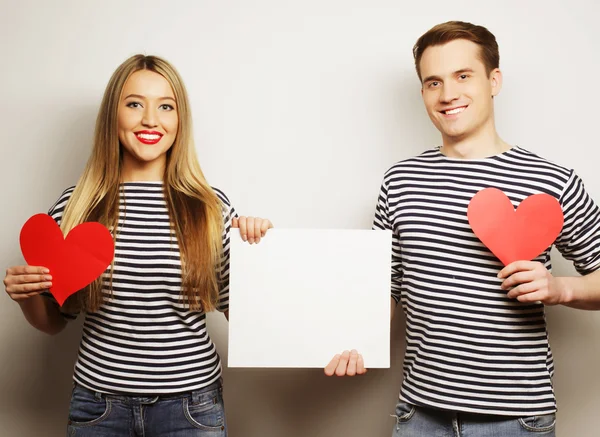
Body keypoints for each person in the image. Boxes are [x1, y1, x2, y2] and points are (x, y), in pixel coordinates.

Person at [325, 21, 600, 436]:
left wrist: (560, 289)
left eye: (463, 76)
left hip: (516, 421)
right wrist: (350, 340)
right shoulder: (399, 181)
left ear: (494, 81)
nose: (448, 94)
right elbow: (386, 289)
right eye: (433, 82)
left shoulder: (551, 182)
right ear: (422, 93)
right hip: (418, 416)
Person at [3, 54, 271, 436]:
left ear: (180, 121)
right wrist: (26, 296)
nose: (150, 119)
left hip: (191, 408)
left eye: (166, 106)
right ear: (113, 116)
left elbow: (248, 318)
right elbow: (53, 323)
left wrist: (261, 251)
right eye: (134, 104)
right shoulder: (75, 207)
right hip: (98, 407)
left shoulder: (210, 208)